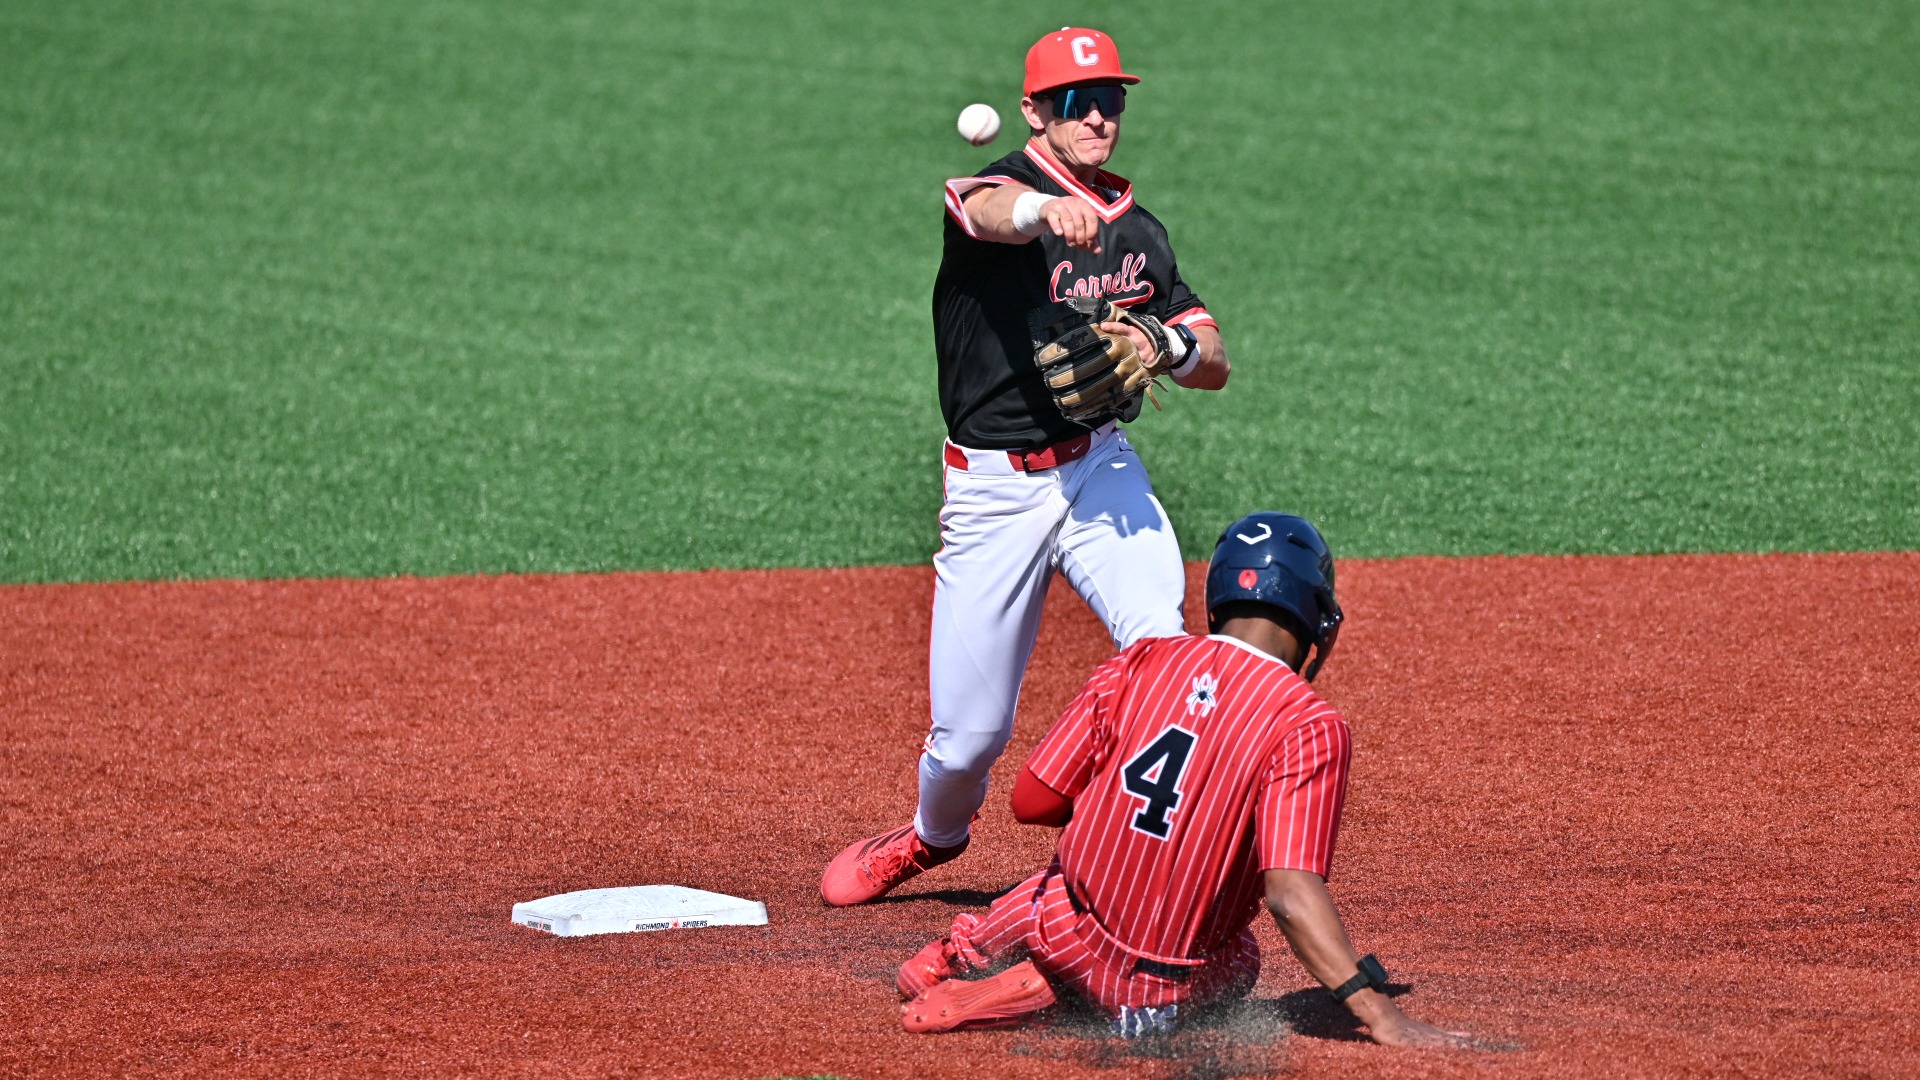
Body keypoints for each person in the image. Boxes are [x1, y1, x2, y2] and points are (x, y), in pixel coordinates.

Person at [821, 27, 1232, 906]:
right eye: (1076, 102)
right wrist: (1046, 210)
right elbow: (975, 203)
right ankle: (931, 838)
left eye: (1109, 100)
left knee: (1161, 647)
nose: (1096, 117)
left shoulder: (1139, 234)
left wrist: (1162, 342)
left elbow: (1212, 351)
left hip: (1098, 472)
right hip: (992, 491)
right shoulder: (1005, 194)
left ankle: (1120, 844)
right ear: (1036, 111)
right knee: (968, 740)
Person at [892, 513, 1476, 1049]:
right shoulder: (1309, 723)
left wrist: (1115, 812)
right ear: (1315, 613)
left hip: (1059, 930)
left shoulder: (1142, 660)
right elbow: (1290, 894)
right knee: (1241, 956)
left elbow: (1031, 801)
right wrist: (1379, 1014)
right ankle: (1095, 1009)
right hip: (1163, 985)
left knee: (1051, 887)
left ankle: (963, 954)